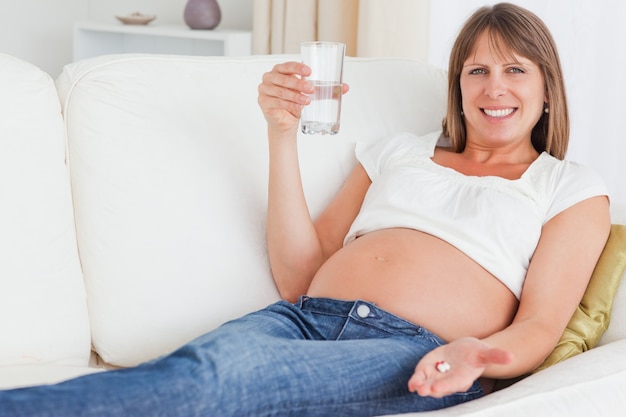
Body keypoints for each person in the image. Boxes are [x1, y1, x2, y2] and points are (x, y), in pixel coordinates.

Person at [0, 3, 611, 416]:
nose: (493, 87)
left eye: (514, 70)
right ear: (457, 86)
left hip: (414, 350)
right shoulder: (399, 151)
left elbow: (540, 325)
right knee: (193, 368)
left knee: (214, 381)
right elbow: (299, 275)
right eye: (476, 70)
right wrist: (280, 132)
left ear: (546, 89)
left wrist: (481, 354)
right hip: (302, 318)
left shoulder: (569, 188)